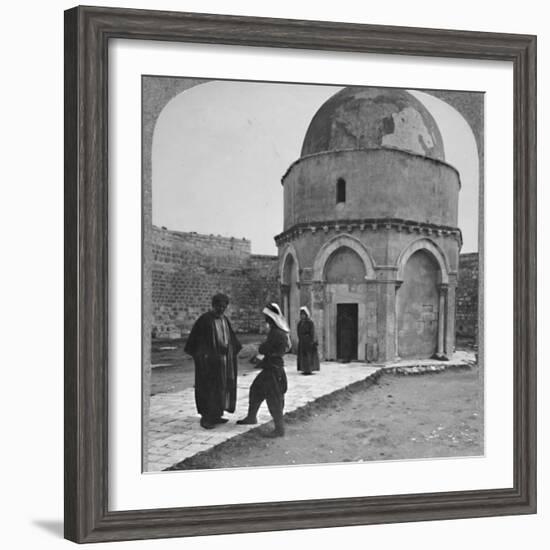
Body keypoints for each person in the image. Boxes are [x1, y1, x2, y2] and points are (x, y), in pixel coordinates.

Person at [184, 293, 242, 429]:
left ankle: (216, 414)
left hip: (223, 362)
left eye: (224, 307)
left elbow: (232, 340)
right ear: (213, 305)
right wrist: (202, 357)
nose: (221, 309)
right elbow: (195, 342)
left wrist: (231, 349)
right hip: (209, 364)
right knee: (208, 389)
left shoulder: (224, 320)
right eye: (219, 306)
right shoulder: (205, 320)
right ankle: (206, 417)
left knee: (221, 389)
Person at [237, 303, 290, 437]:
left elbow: (267, 348)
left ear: (271, 317)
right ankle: (251, 417)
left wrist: (256, 349)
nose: (265, 318)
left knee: (274, 399)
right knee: (256, 390)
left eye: (266, 316)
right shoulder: (276, 331)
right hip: (270, 367)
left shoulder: (277, 333)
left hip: (273, 370)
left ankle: (279, 429)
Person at [297, 306, 320, 375]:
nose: (302, 316)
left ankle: (309, 369)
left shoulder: (310, 322)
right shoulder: (300, 323)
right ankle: (304, 369)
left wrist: (311, 341)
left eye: (303, 314)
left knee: (309, 356)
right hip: (302, 342)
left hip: (308, 341)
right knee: (303, 356)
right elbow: (298, 331)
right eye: (301, 315)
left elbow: (312, 332)